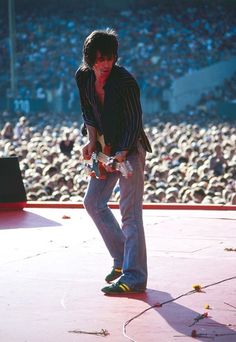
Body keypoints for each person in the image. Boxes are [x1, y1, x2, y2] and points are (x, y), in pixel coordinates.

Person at [75, 29, 152, 295]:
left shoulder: (125, 81)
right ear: (89, 59)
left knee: (130, 213)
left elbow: (133, 123)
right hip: (104, 146)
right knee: (93, 202)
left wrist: (120, 154)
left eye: (109, 59)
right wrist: (91, 141)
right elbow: (88, 111)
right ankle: (121, 260)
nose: (105, 64)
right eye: (100, 59)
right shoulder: (83, 77)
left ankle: (135, 276)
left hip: (129, 149)